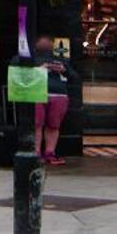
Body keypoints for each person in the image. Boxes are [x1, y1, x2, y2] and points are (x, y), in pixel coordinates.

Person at [32, 35, 70, 165]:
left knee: (53, 126)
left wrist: (64, 70)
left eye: (49, 43)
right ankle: (36, 153)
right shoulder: (29, 57)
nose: (47, 45)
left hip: (58, 95)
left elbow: (75, 76)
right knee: (37, 124)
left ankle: (49, 153)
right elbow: (16, 70)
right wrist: (39, 69)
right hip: (37, 93)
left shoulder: (61, 58)